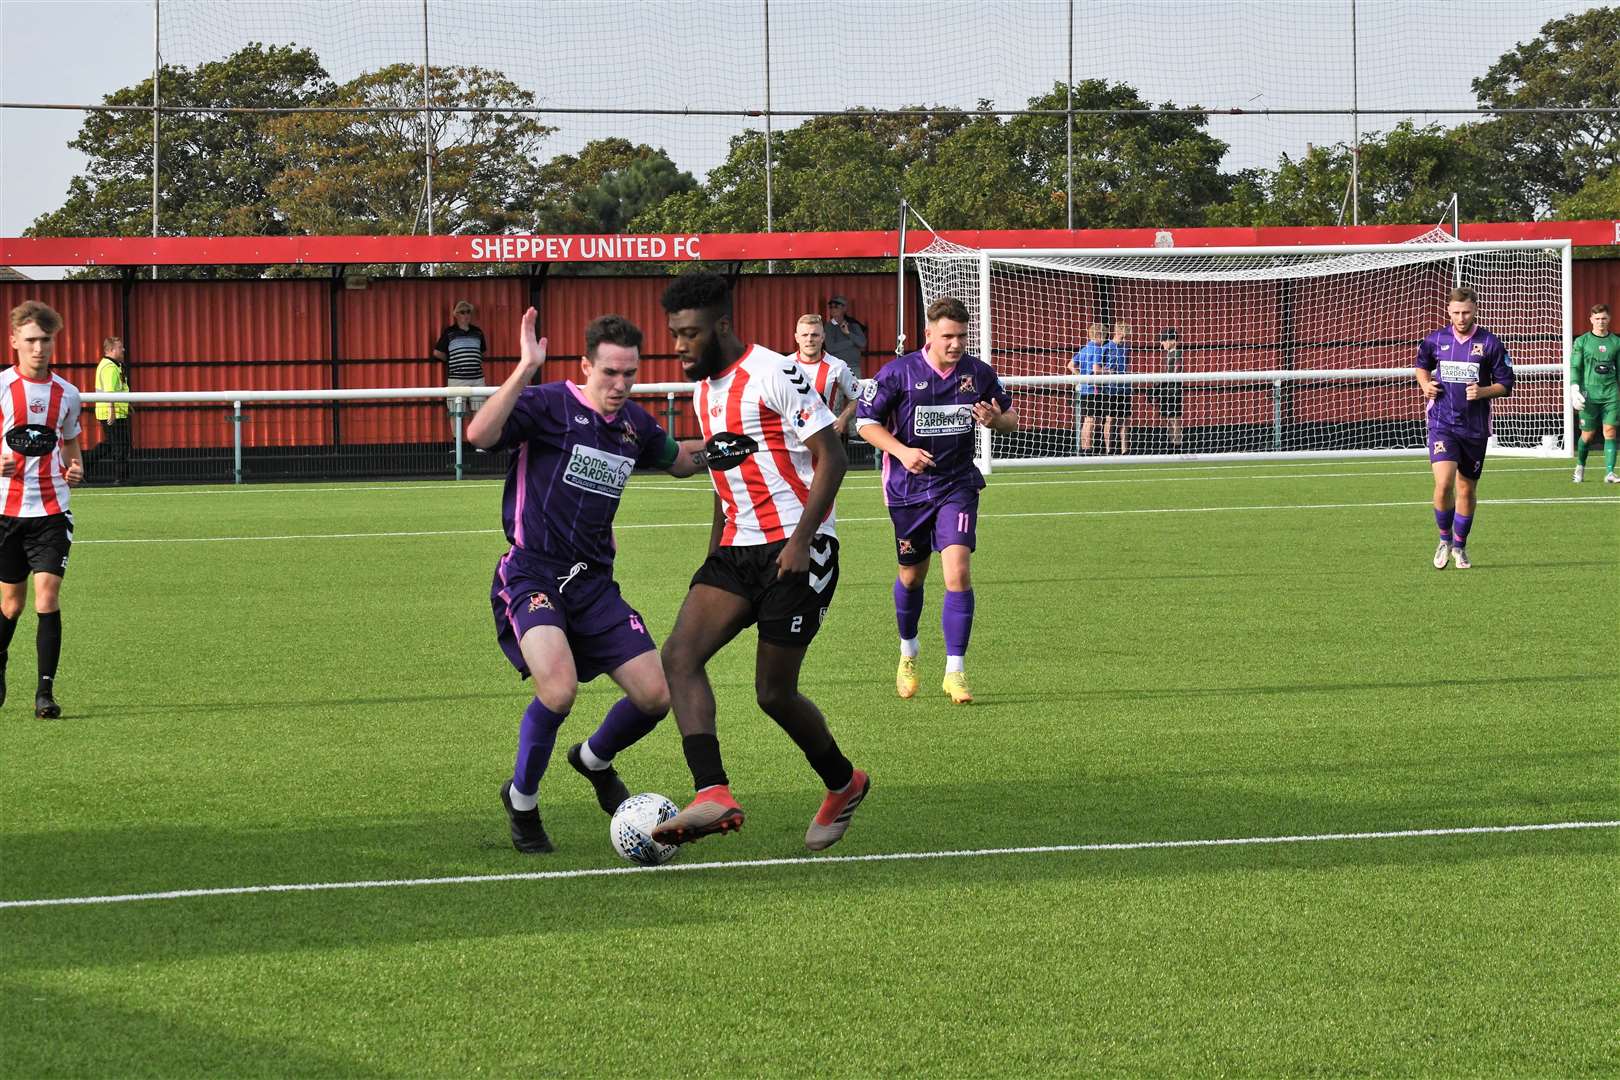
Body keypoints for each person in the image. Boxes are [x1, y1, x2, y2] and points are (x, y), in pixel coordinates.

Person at [466, 310, 703, 854]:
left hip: (593, 584)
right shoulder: (548, 404)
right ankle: (522, 801)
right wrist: (527, 366)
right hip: (532, 571)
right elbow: (480, 433)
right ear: (585, 366)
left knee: (654, 695)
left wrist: (723, 449)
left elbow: (680, 463)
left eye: (630, 374)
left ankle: (592, 758)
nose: (620, 385)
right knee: (559, 688)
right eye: (610, 373)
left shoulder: (634, 425)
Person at [652, 271, 870, 853]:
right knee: (678, 656)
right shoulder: (702, 390)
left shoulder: (775, 372)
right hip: (737, 549)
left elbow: (833, 456)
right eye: (674, 333)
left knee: (773, 694)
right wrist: (713, 553)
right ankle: (712, 791)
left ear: (721, 327)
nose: (679, 345)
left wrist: (802, 541)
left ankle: (844, 782)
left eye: (690, 334)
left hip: (798, 550)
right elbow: (725, 474)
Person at [856, 296, 1017, 705]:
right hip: (908, 490)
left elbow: (1011, 418)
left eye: (962, 336)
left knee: (958, 572)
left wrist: (994, 420)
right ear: (928, 334)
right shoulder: (899, 372)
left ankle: (955, 670)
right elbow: (865, 423)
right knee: (911, 577)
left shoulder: (978, 374)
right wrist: (901, 451)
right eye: (948, 336)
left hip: (956, 484)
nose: (956, 344)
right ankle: (908, 652)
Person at [2, 301, 86, 719]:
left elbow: (70, 441)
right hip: (5, 513)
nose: (39, 348)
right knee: (10, 606)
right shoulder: (1, 389)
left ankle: (44, 693)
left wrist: (77, 465)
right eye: (31, 340)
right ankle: (0, 661)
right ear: (14, 340)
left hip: (52, 511)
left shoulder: (67, 394)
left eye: (46, 340)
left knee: (46, 597)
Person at [1414, 287, 1513, 570]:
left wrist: (1483, 392)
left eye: (1466, 312)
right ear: (1449, 311)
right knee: (1443, 483)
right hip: (1442, 423)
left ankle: (1460, 546)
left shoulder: (1490, 343)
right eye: (1456, 312)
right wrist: (1425, 384)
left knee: (1466, 490)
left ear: (1475, 310)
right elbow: (1421, 366)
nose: (1461, 317)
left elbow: (1506, 384)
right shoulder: (1436, 340)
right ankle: (1444, 539)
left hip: (1474, 427)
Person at [1568, 303, 1618, 483]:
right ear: (1591, 320)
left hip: (1611, 394)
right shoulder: (1582, 341)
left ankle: (1610, 473)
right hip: (1589, 394)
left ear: (1609, 319)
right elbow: (1575, 366)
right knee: (1587, 435)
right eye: (1597, 319)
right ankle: (1580, 466)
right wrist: (1574, 389)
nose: (1601, 322)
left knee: (1610, 431)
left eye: (1604, 318)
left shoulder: (1616, 342)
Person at [792, 314, 861, 435]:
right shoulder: (783, 366)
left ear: (823, 337)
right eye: (804, 335)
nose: (809, 339)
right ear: (797, 338)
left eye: (815, 335)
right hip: (791, 440)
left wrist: (842, 420)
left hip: (825, 440)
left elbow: (858, 397)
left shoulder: (837, 366)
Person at [432, 300, 487, 433]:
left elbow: (482, 351)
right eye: (462, 312)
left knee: (479, 410)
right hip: (457, 379)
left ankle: (478, 444)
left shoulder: (478, 332)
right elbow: (437, 352)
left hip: (477, 379)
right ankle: (456, 445)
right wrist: (452, 360)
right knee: (455, 411)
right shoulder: (449, 332)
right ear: (456, 315)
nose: (466, 315)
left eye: (468, 312)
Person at [87, 336, 132, 484]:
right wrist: (112, 411)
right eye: (120, 348)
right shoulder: (109, 367)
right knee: (120, 446)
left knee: (112, 444)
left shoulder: (113, 365)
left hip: (115, 411)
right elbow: (109, 391)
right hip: (112, 413)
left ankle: (84, 468)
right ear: (111, 350)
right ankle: (121, 478)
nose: (123, 350)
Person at [1070, 322, 1107, 453]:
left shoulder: (1085, 348)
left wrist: (1081, 377)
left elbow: (1070, 365)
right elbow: (1096, 370)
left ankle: (1085, 447)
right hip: (1093, 389)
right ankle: (1087, 448)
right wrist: (1107, 372)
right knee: (1090, 419)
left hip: (1085, 389)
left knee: (1088, 419)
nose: (1104, 339)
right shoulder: (1097, 349)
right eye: (1103, 336)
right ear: (1098, 335)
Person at [1102, 321, 1133, 454]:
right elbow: (1099, 367)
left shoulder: (1126, 347)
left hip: (1124, 388)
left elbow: (1127, 365)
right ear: (1117, 332)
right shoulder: (1106, 347)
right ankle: (1109, 450)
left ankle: (1125, 451)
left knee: (1124, 420)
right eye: (1123, 337)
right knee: (1110, 419)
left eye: (1126, 337)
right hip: (1110, 389)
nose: (1124, 340)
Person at [1156, 327, 1185, 452]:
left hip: (1173, 391)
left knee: (1174, 418)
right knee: (1167, 418)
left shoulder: (1177, 353)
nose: (1162, 343)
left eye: (1164, 340)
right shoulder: (1168, 354)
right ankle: (1170, 442)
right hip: (1166, 391)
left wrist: (1161, 382)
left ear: (1172, 340)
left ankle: (1177, 444)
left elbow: (1175, 371)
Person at [822, 294, 867, 369]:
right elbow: (831, 348)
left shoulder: (853, 324)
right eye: (831, 307)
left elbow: (862, 343)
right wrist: (852, 342)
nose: (833, 309)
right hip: (836, 367)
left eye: (836, 306)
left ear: (844, 308)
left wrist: (848, 333)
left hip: (854, 367)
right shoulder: (828, 327)